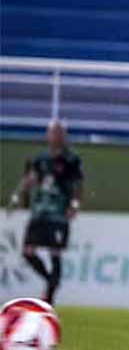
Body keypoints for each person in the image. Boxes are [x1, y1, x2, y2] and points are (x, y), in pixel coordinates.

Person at [6, 120, 83, 305]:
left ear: (64, 136)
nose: (55, 136)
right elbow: (30, 179)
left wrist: (74, 204)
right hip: (40, 212)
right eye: (52, 132)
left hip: (58, 214)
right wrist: (16, 197)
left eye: (59, 132)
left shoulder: (71, 160)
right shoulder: (41, 159)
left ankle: (49, 297)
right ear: (48, 136)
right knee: (28, 251)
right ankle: (51, 281)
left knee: (55, 252)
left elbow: (78, 184)